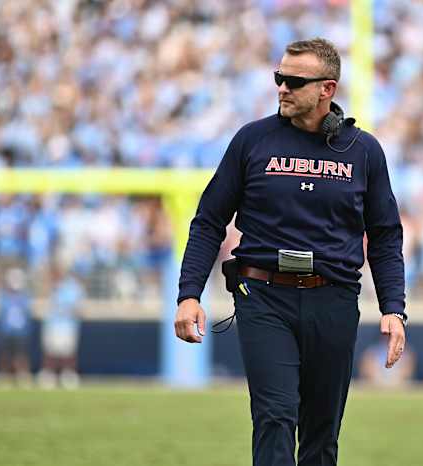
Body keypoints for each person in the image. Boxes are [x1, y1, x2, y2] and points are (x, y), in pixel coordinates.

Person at [174, 38, 406, 466]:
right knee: (275, 417)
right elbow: (208, 220)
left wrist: (394, 307)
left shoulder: (363, 151)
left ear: (327, 89)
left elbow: (386, 234)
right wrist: (189, 293)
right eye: (279, 77)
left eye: (294, 81)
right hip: (263, 295)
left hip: (333, 298)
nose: (282, 87)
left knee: (321, 432)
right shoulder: (252, 141)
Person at [0, 267, 33, 386]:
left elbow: (27, 313)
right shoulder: (3, 296)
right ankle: (4, 375)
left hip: (20, 332)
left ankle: (22, 375)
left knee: (21, 355)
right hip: (6, 331)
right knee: (5, 354)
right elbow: (1, 312)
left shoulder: (24, 296)